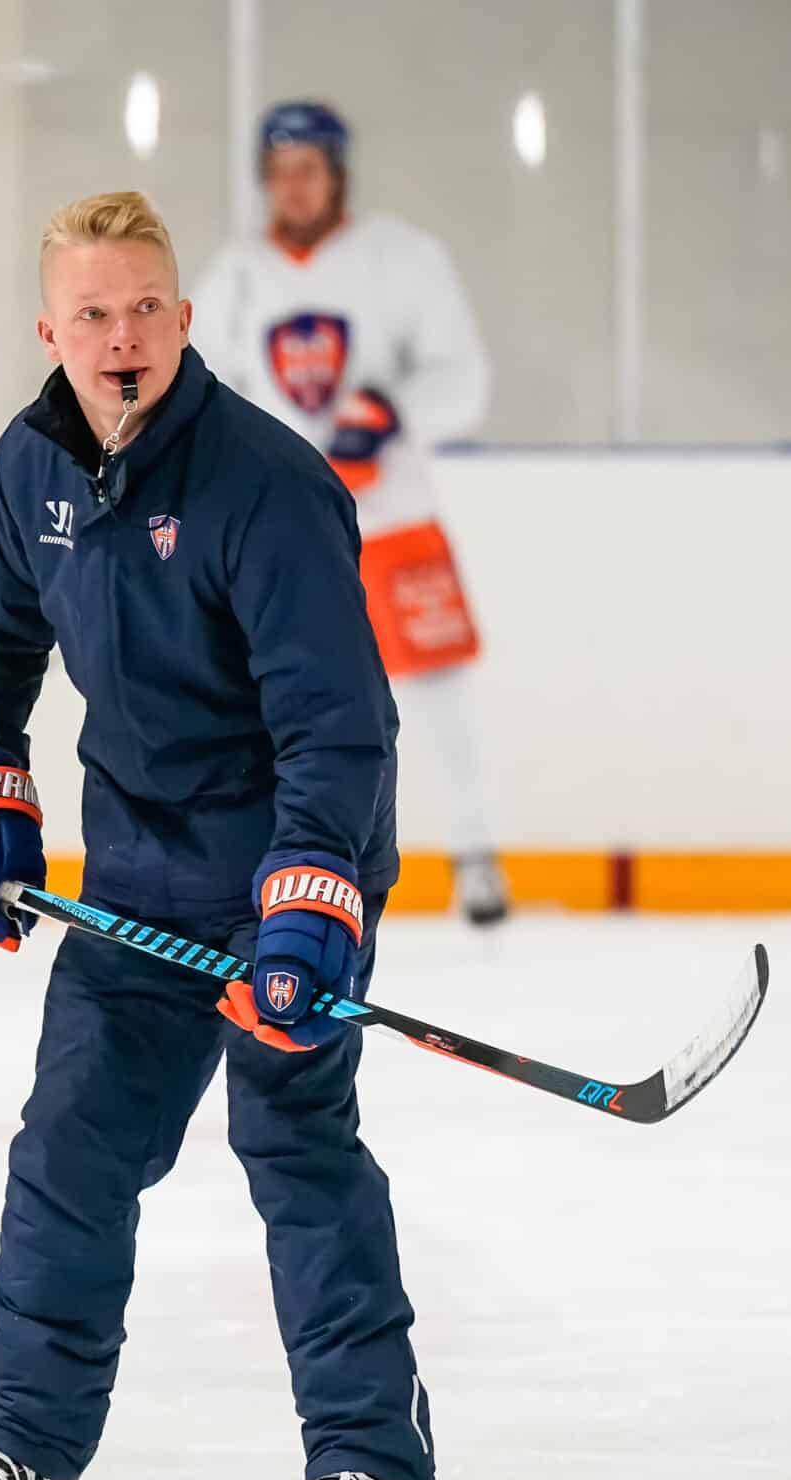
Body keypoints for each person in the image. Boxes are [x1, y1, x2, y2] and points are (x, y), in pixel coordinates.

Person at [0, 191, 448, 1480]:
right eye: (93, 315)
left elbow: (338, 719)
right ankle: (24, 1439)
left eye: (145, 308)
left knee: (296, 1148)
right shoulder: (33, 471)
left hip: (284, 869)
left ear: (186, 320)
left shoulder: (267, 482)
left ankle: (373, 1466)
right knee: (70, 1148)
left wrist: (311, 902)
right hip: (137, 875)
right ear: (51, 331)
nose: (122, 336)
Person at [192, 100, 511, 927]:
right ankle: (267, 859)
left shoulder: (403, 259)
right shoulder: (233, 277)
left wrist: (393, 411)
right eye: (280, 170)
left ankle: (475, 852)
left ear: (337, 173)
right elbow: (202, 395)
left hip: (393, 513)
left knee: (437, 688)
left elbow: (464, 381)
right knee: (266, 697)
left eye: (310, 168)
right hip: (283, 529)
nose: (294, 185)